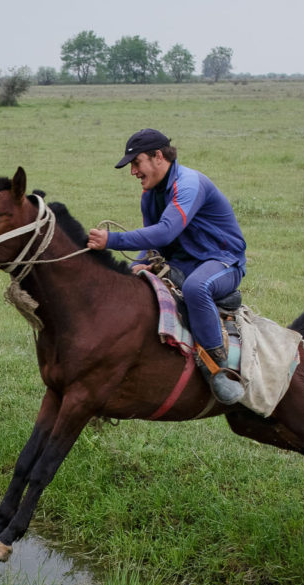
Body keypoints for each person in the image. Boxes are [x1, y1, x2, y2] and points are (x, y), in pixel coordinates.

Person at [87, 129, 246, 405]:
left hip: (222, 261)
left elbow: (165, 232)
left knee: (197, 287)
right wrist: (138, 264)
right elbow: (154, 243)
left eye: (136, 163)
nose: (133, 172)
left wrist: (112, 240)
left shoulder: (189, 184)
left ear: (158, 156)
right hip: (183, 261)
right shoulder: (149, 194)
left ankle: (216, 368)